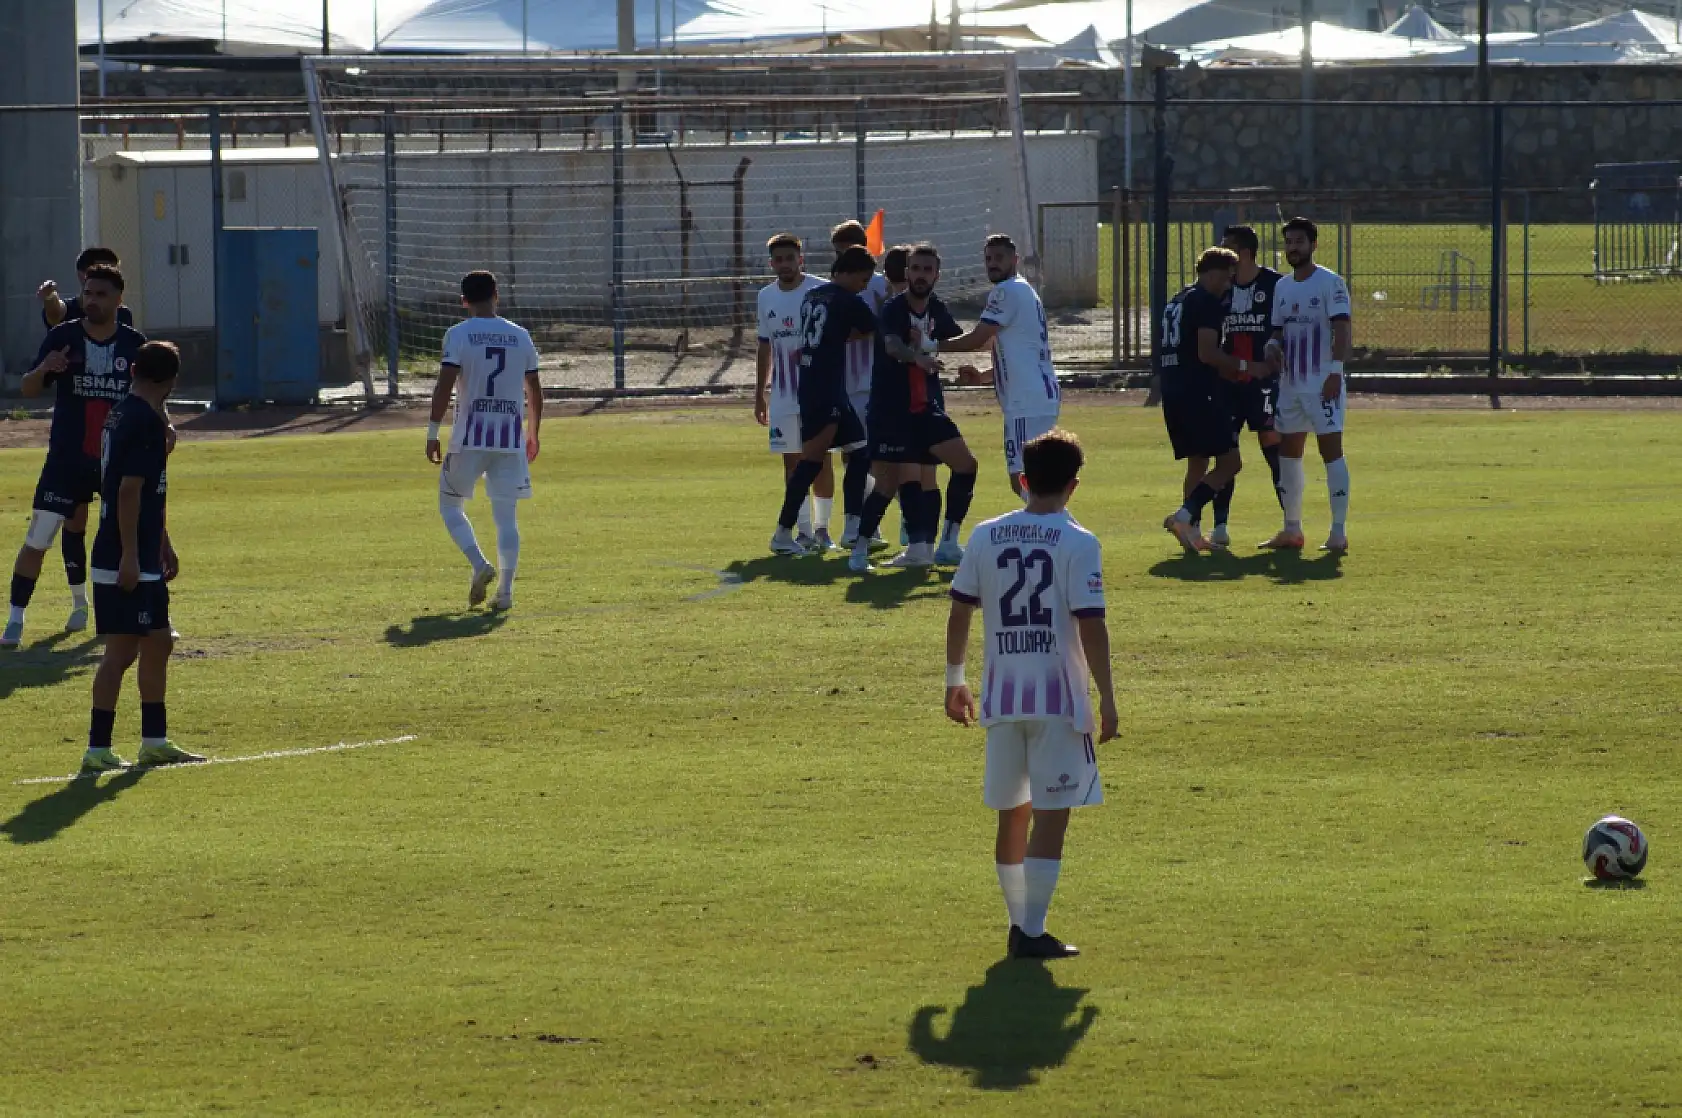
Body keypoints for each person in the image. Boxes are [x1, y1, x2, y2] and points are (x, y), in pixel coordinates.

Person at [944, 428, 1117, 959]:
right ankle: (1032, 931)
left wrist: (954, 680)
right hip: (1059, 703)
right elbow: (1091, 625)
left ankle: (1019, 924)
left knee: (1012, 814)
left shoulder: (984, 534)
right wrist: (1108, 697)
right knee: (1052, 813)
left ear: (1022, 480)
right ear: (1074, 486)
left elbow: (959, 609)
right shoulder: (1080, 542)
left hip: (999, 699)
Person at [4, 265, 146, 649]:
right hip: (67, 460)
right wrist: (45, 368)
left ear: (119, 299)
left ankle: (136, 615)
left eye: (101, 294)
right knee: (38, 538)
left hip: (115, 461)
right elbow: (28, 388)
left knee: (130, 536)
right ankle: (15, 619)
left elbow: (150, 397)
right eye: (87, 293)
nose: (92, 300)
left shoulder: (135, 345)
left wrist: (163, 427)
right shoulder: (63, 337)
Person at [81, 341, 203, 773]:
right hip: (123, 553)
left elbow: (151, 488)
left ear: (134, 371)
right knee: (120, 653)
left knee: (159, 642)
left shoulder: (124, 413)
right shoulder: (143, 422)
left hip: (136, 549)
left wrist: (161, 540)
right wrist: (132, 555)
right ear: (171, 381)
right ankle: (98, 748)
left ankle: (153, 740)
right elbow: (128, 490)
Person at [849, 244, 979, 572]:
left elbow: (957, 339)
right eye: (916, 269)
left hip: (926, 407)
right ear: (906, 273)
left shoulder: (936, 308)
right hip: (892, 410)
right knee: (891, 482)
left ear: (937, 274)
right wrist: (917, 358)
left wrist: (978, 359)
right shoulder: (893, 308)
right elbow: (891, 345)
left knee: (965, 465)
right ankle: (861, 549)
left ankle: (944, 544)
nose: (921, 275)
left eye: (927, 270)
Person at [426, 271, 542, 610]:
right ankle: (505, 593)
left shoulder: (458, 334)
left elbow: (445, 384)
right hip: (509, 438)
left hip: (469, 438)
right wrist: (533, 432)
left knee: (450, 505)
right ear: (497, 295)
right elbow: (534, 389)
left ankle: (479, 563)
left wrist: (433, 432)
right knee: (506, 517)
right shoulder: (520, 336)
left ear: (464, 301)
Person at [768, 247, 876, 556]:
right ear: (851, 272)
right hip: (824, 388)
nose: (864, 286)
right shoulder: (846, 299)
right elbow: (875, 329)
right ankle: (783, 533)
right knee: (811, 461)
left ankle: (853, 528)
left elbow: (826, 332)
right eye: (863, 279)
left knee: (859, 451)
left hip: (818, 385)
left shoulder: (813, 295)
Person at [936, 234, 1060, 498]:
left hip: (1024, 402)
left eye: (999, 258)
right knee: (1038, 480)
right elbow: (1015, 351)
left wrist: (930, 345)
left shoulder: (1005, 291)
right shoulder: (1025, 290)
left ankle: (1055, 532)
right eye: (988, 259)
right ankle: (1058, 530)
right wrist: (983, 376)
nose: (993, 264)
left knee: (1023, 480)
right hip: (1039, 396)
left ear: (1014, 260)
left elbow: (979, 337)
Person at [1260, 217, 1354, 554]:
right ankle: (1292, 529)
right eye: (1288, 242)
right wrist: (1272, 345)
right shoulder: (1282, 287)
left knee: (1331, 452)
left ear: (1313, 245)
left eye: (1299, 241)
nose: (1293, 248)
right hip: (1290, 386)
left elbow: (1342, 329)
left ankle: (1338, 532)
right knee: (1289, 454)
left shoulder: (1331, 283)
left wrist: (1335, 371)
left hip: (1322, 383)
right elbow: (1277, 331)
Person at [1158, 248, 1260, 553]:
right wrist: (1247, 367)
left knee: (1198, 463)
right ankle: (1185, 515)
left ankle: (1193, 534)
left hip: (1173, 391)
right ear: (1213, 273)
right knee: (1231, 462)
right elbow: (1207, 353)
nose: (1228, 286)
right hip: (1199, 392)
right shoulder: (1205, 301)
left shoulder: (1177, 300)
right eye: (1227, 278)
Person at [753, 233, 828, 547]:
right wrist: (760, 391)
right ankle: (803, 531)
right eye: (778, 260)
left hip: (820, 392)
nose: (784, 264)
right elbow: (764, 346)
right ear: (771, 263)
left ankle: (824, 530)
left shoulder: (822, 290)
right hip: (783, 395)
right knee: (792, 462)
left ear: (801, 260)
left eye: (790, 258)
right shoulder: (766, 296)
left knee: (821, 459)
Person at [1215, 225, 1285, 549]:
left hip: (1263, 382)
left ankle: (1290, 522)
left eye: (1227, 247)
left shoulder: (1274, 285)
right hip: (1229, 383)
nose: (1222, 253)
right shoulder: (1221, 289)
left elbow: (1285, 328)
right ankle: (1219, 527)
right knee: (1225, 451)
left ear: (1243, 252)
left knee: (1273, 446)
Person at [830, 220, 890, 548]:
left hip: (871, 379)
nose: (840, 262)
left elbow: (885, 323)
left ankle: (865, 525)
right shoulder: (833, 287)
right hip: (843, 381)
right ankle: (862, 524)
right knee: (851, 455)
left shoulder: (877, 285)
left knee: (869, 453)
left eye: (844, 253)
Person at [38, 246, 135, 331]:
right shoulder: (68, 311)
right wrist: (50, 297)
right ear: (82, 274)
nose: (111, 278)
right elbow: (56, 312)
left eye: (114, 273)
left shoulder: (123, 314)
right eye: (101, 272)